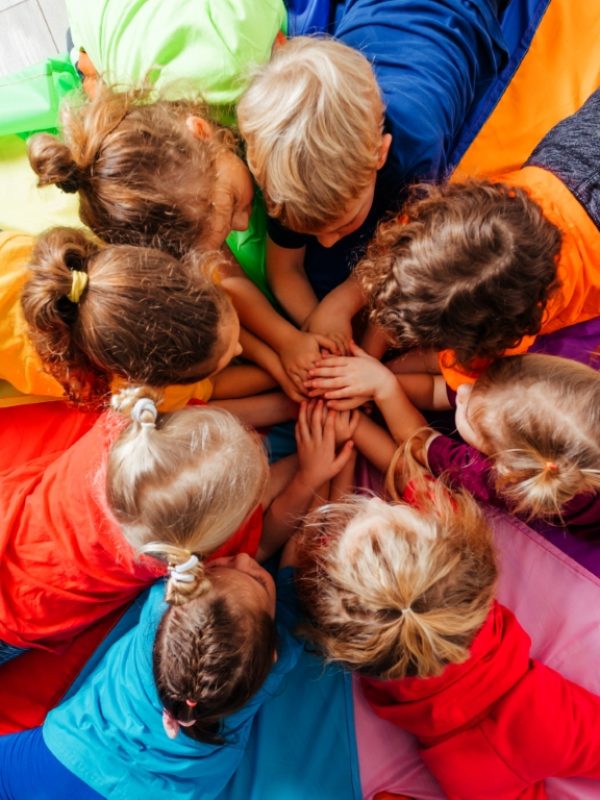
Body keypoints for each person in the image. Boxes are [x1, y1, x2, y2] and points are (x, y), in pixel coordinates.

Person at [27, 87, 336, 397]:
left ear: (201, 131)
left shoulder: (247, 136)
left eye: (230, 204)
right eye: (219, 238)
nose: (241, 224)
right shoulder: (178, 227)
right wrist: (286, 345)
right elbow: (227, 284)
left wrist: (289, 343)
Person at [293, 488, 600, 798]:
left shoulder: (362, 636)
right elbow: (419, 486)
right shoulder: (461, 575)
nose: (374, 499)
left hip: (466, 764)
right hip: (539, 714)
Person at [237, 7, 506, 327]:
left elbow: (402, 255)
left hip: (462, 13)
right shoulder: (288, 176)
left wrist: (342, 302)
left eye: (342, 224)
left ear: (381, 154)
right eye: (312, 230)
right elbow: (283, 270)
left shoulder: (417, 152)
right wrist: (316, 328)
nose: (326, 241)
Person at [323, 87, 600, 391]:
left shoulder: (512, 317)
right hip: (575, 156)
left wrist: (379, 375)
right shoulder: (479, 218)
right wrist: (369, 357)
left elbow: (470, 380)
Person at [0, 552, 300, 799]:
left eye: (259, 578)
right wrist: (272, 583)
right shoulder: (268, 670)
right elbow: (292, 587)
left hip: (63, 758)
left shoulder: (159, 609)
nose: (246, 557)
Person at [306, 344, 600, 536]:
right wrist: (375, 380)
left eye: (468, 407)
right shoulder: (558, 406)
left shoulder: (499, 480)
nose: (462, 391)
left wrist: (383, 388)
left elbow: (418, 443)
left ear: (501, 463)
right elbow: (439, 389)